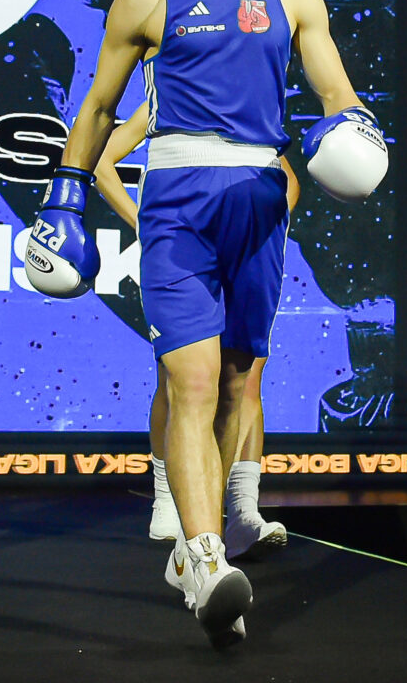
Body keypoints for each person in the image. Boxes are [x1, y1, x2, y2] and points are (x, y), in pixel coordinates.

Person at [25, 0, 384, 646]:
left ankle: (210, 533)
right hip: (178, 202)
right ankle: (203, 556)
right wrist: (65, 199)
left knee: (236, 381)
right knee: (190, 380)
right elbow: (99, 109)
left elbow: (337, 93)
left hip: (259, 200)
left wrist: (356, 129)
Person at [91, 104, 296, 551]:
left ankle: (240, 511)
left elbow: (288, 179)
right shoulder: (169, 96)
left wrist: (260, 224)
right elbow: (102, 159)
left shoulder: (250, 99)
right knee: (179, 376)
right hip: (180, 243)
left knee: (245, 377)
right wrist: (148, 225)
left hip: (244, 241)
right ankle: (167, 499)